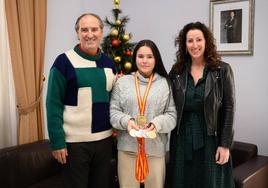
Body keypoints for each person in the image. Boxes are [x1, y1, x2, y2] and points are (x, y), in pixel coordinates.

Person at [46, 13, 116, 188]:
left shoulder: (109, 64)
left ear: (101, 32)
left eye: (94, 29)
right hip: (74, 144)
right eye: (84, 30)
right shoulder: (63, 62)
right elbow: (53, 104)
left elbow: (114, 101)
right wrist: (57, 142)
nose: (89, 34)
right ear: (77, 33)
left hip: (104, 141)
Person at [169, 22, 235, 188]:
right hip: (182, 139)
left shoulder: (222, 70)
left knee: (211, 183)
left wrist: (225, 144)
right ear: (184, 44)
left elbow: (229, 108)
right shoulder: (177, 71)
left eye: (199, 39)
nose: (195, 45)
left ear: (207, 42)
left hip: (211, 139)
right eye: (190, 41)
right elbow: (164, 97)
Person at [110, 39, 177, 188]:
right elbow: (113, 112)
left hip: (155, 150)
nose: (144, 61)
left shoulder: (165, 84)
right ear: (135, 59)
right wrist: (127, 121)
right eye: (140, 56)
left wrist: (156, 124)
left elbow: (172, 115)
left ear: (156, 59)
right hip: (127, 149)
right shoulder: (122, 83)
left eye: (149, 56)